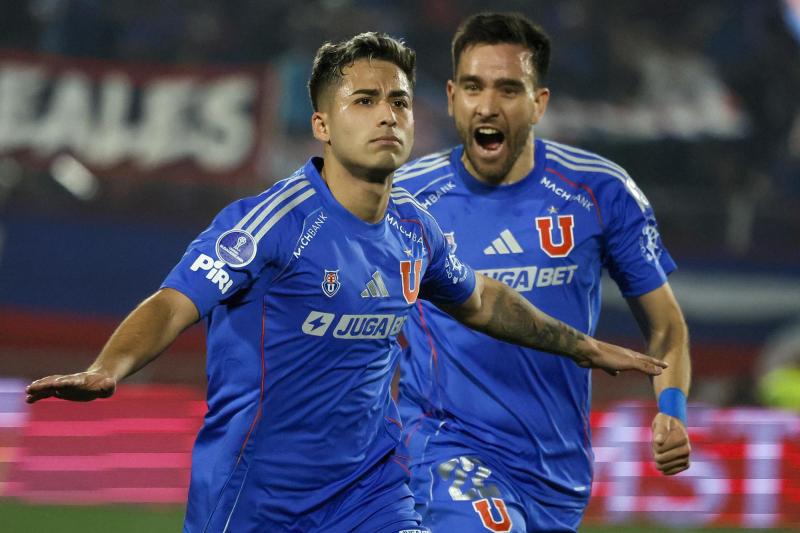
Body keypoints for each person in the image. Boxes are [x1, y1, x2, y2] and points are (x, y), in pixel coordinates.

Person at [25, 32, 666, 533]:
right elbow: (174, 302)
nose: (387, 115)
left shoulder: (416, 229)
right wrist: (109, 368)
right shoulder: (272, 223)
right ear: (323, 126)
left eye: (399, 102)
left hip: (370, 488)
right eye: (364, 101)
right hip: (255, 495)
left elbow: (481, 300)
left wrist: (579, 345)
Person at [395, 12, 692, 533]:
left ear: (539, 103)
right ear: (450, 97)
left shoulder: (601, 192)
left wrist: (671, 409)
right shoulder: (405, 201)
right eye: (473, 87)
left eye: (509, 89)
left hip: (557, 471)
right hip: (443, 443)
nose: (487, 106)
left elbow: (666, 326)